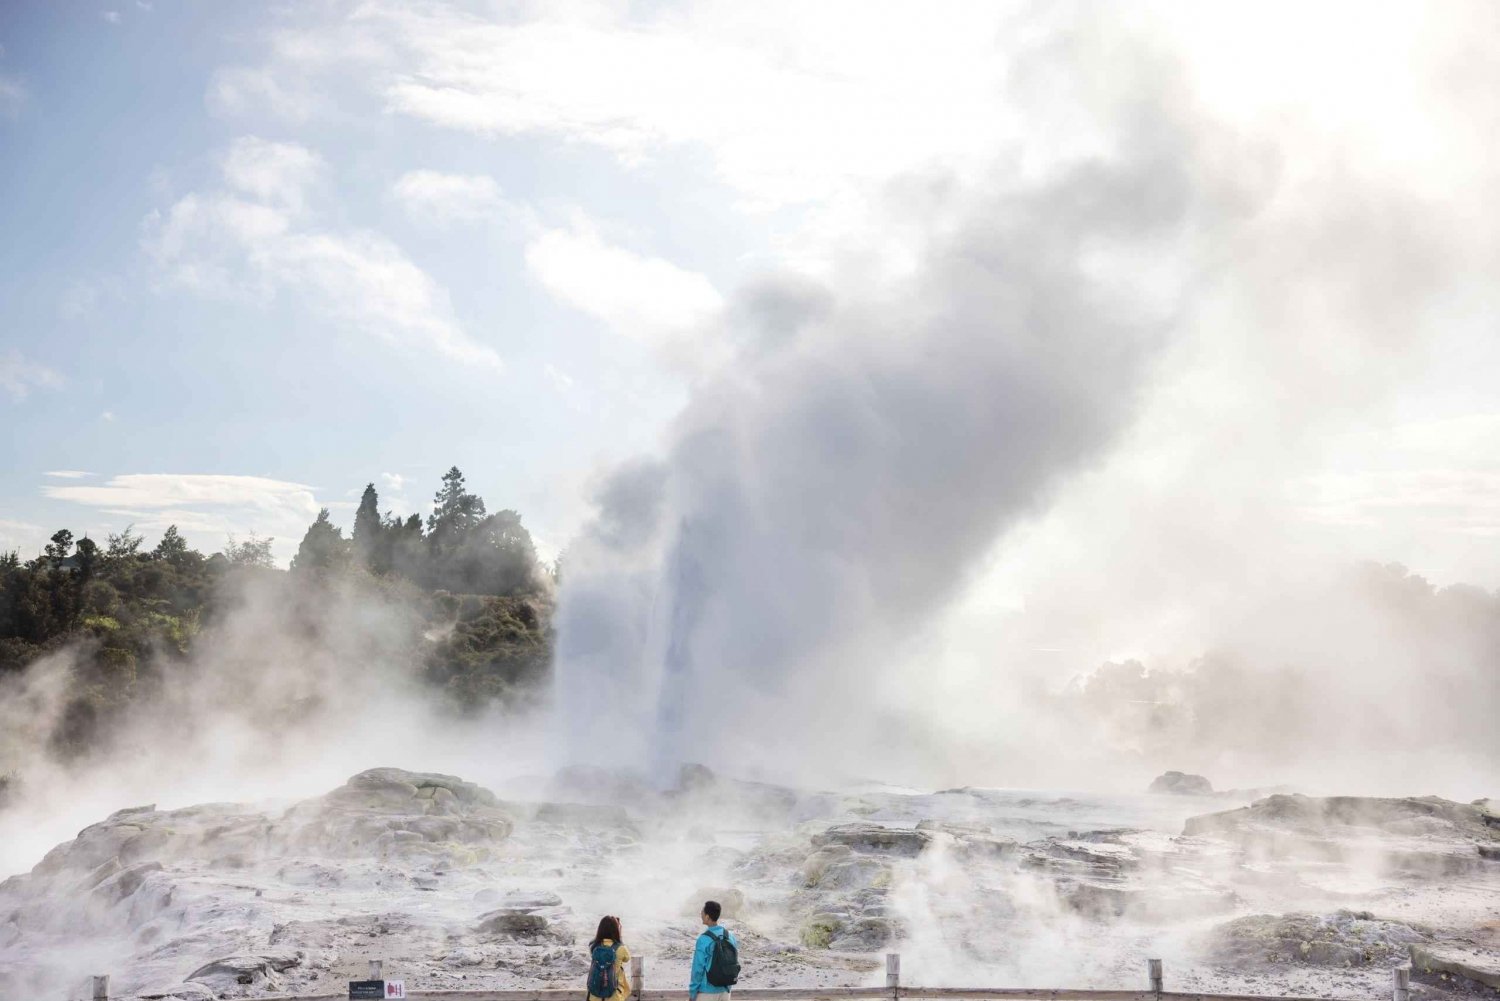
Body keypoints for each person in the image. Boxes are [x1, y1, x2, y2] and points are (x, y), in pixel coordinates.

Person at [688, 899, 739, 1001]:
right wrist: (727, 988)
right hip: (725, 991)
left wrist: (692, 993)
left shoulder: (703, 939)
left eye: (702, 912)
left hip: (706, 992)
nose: (700, 914)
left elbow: (697, 970)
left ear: (707, 916)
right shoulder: (730, 936)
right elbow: (732, 962)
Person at [587, 915, 632, 1001]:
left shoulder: (594, 947)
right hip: (614, 995)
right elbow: (627, 958)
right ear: (616, 930)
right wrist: (620, 936)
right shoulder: (621, 948)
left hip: (595, 995)